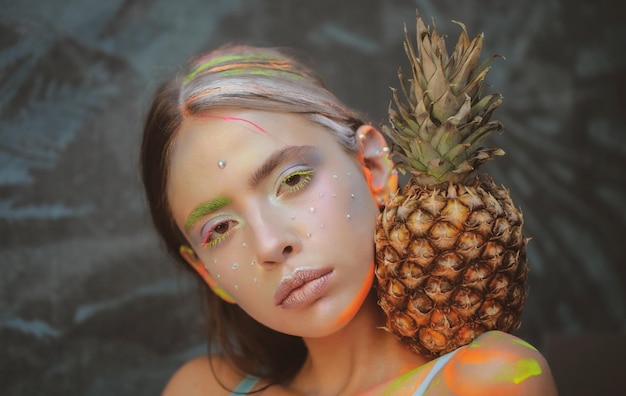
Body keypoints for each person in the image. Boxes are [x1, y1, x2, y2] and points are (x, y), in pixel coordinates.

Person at [140, 44, 558, 395]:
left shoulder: (488, 378)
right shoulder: (199, 389)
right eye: (219, 229)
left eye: (293, 179)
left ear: (372, 166)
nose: (269, 244)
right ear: (205, 271)